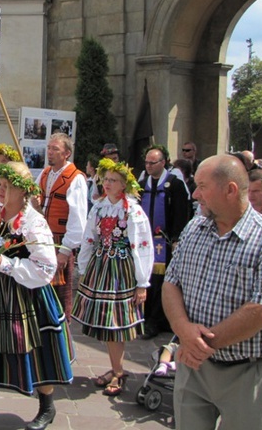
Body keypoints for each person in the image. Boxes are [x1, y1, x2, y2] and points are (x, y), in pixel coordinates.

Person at [163, 155, 262, 430]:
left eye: (202, 186)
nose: (196, 194)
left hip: (249, 371)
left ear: (230, 189)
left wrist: (200, 345)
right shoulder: (195, 228)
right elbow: (171, 282)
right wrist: (182, 328)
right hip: (194, 368)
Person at [0, 162, 73, 430]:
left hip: (26, 294)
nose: (1, 190)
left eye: (7, 187)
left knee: (37, 350)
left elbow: (46, 267)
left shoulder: (33, 223)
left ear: (23, 192)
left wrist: (9, 266)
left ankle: (47, 407)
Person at [71, 158, 154, 397]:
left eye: (113, 180)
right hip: (101, 266)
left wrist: (142, 282)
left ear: (124, 185)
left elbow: (142, 245)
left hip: (121, 270)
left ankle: (118, 371)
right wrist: (84, 266)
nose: (107, 184)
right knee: (108, 324)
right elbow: (89, 237)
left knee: (115, 323)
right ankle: (116, 368)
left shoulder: (133, 210)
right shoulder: (98, 207)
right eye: (105, 179)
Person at [138, 145, 191, 339]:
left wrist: (177, 238)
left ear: (163, 163)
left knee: (162, 281)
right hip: (145, 241)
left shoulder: (174, 185)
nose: (149, 166)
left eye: (153, 162)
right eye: (146, 162)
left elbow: (181, 213)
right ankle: (145, 316)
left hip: (165, 242)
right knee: (146, 278)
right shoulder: (143, 185)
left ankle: (157, 320)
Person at [34, 132, 87, 319]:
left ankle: (62, 332)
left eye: (55, 149)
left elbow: (78, 218)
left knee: (60, 293)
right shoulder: (45, 173)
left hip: (60, 240)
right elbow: (36, 200)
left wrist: (65, 250)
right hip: (42, 238)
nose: (50, 152)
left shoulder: (76, 178)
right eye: (49, 148)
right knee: (41, 286)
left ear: (66, 154)